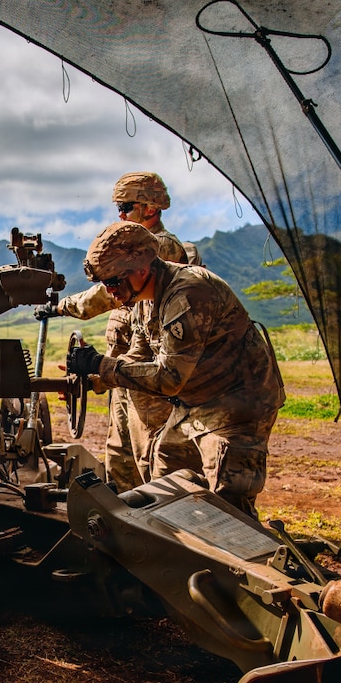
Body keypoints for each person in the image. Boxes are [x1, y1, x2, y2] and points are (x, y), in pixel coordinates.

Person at [65, 221, 285, 518]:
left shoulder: (188, 294)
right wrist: (97, 376)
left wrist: (102, 365)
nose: (110, 292)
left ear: (141, 269)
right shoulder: (144, 300)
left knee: (229, 503)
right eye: (105, 284)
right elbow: (139, 356)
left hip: (238, 406)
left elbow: (168, 379)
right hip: (195, 402)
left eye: (114, 282)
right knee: (166, 470)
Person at [36, 172, 192, 491]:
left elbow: (104, 295)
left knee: (150, 457)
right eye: (118, 208)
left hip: (148, 380)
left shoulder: (159, 248)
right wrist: (100, 375)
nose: (119, 215)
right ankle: (126, 521)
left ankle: (163, 529)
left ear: (150, 208)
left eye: (125, 207)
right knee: (120, 455)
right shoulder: (135, 248)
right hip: (126, 373)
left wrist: (62, 306)